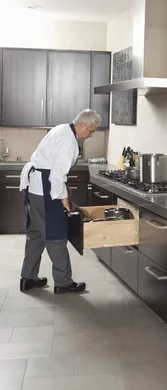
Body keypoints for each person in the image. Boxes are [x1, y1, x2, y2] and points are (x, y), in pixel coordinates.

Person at [19, 109, 101, 295]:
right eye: (91, 131)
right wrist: (63, 198)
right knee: (56, 236)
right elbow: (57, 174)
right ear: (82, 125)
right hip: (47, 191)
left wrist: (64, 189)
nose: (91, 135)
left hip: (36, 188)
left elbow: (54, 169)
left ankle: (28, 278)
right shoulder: (68, 142)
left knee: (36, 234)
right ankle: (63, 282)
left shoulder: (61, 129)